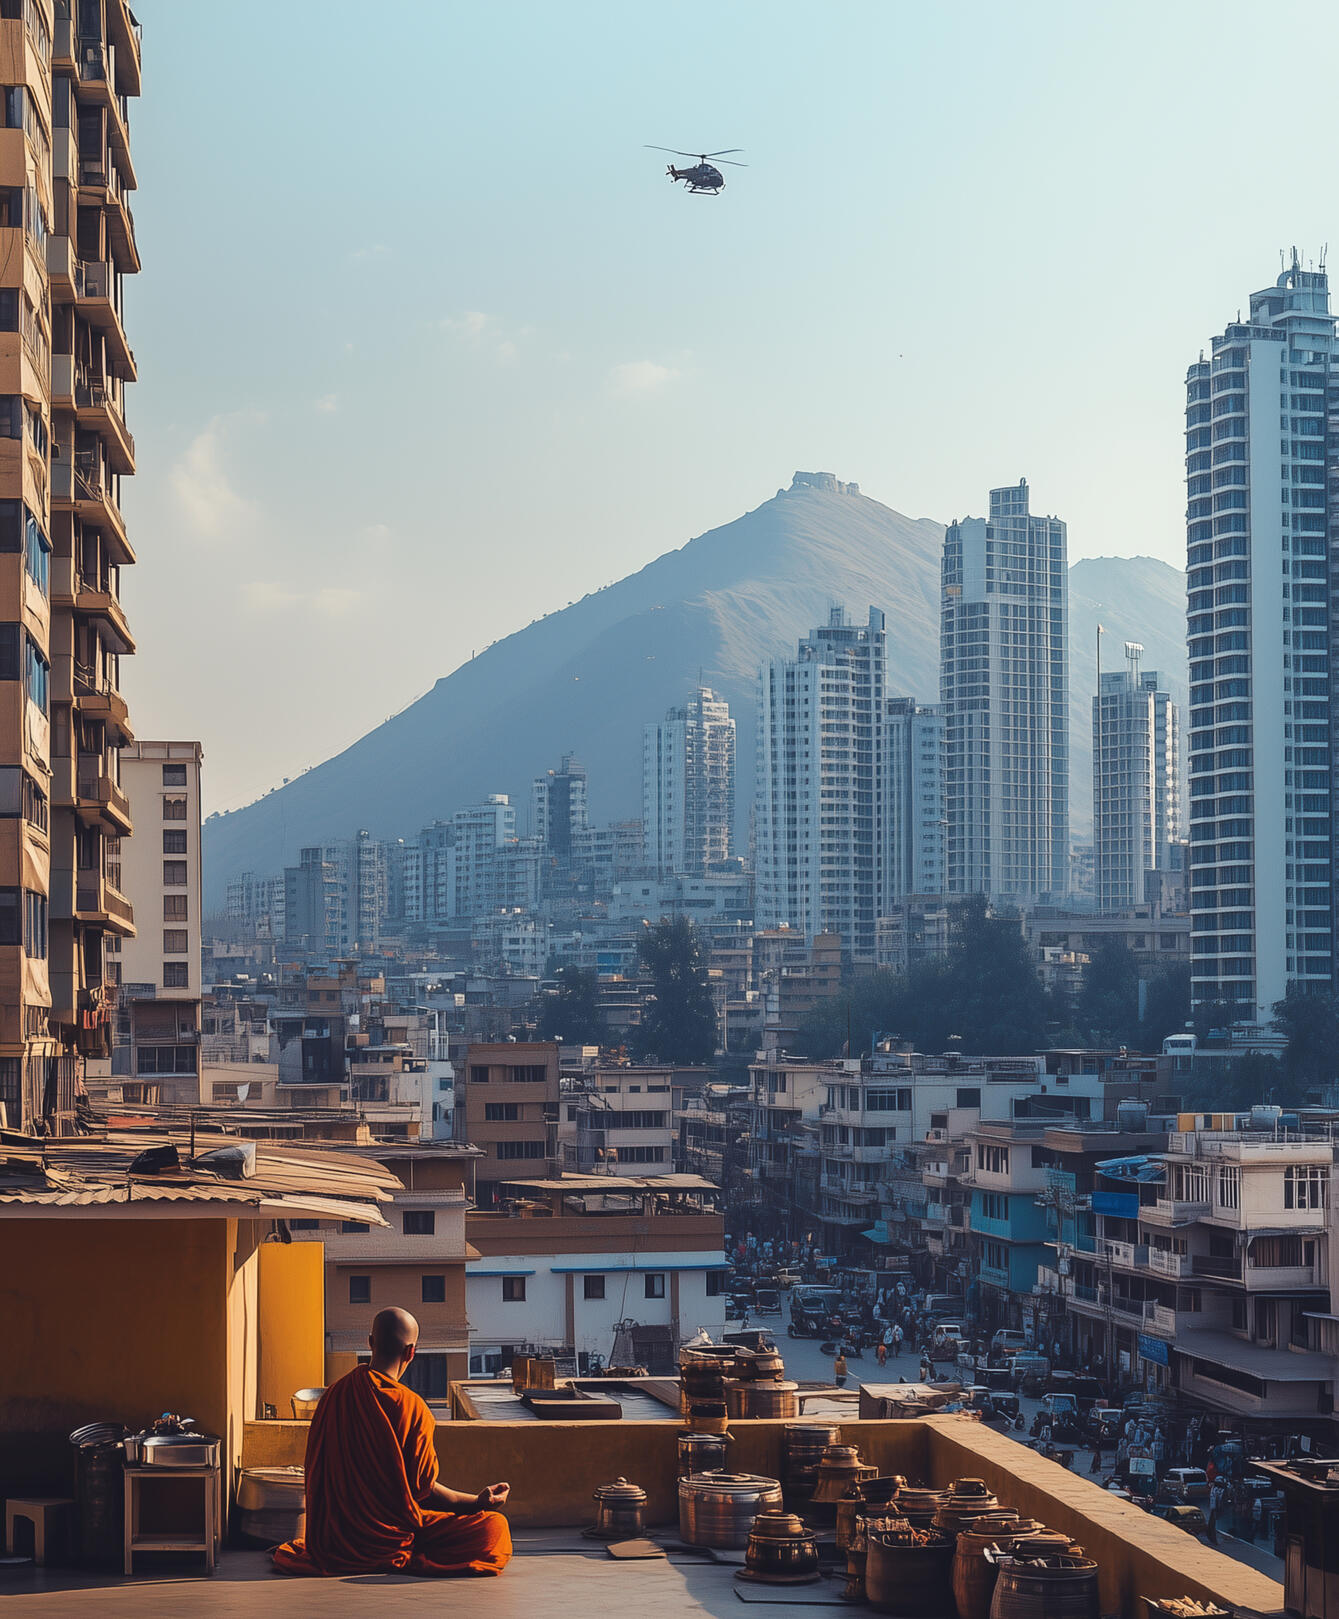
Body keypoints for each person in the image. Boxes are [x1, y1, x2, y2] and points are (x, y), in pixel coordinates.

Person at [273, 1308, 512, 1578]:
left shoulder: (333, 1396)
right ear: (411, 1352)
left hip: (329, 1541)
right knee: (494, 1528)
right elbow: (423, 1489)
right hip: (386, 1540)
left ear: (370, 1343)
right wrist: (477, 1502)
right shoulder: (411, 1406)